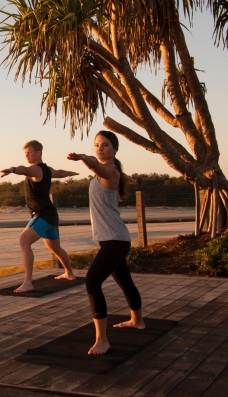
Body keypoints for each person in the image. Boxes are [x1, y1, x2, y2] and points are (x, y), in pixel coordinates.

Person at [67, 130, 145, 355]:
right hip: (111, 239)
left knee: (92, 282)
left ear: (115, 149)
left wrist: (83, 157)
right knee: (125, 281)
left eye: (106, 145)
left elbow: (99, 168)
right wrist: (126, 177)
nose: (100, 148)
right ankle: (137, 321)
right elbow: (105, 171)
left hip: (115, 240)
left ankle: (102, 340)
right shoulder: (113, 172)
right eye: (97, 145)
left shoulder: (108, 170)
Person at [0, 140, 78, 292]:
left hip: (43, 215)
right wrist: (70, 173)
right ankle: (69, 273)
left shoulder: (35, 169)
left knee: (24, 241)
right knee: (55, 248)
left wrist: (13, 169)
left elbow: (24, 170)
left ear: (38, 152)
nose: (27, 155)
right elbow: (59, 173)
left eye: (29, 152)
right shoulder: (47, 170)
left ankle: (28, 282)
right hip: (51, 216)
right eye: (25, 153)